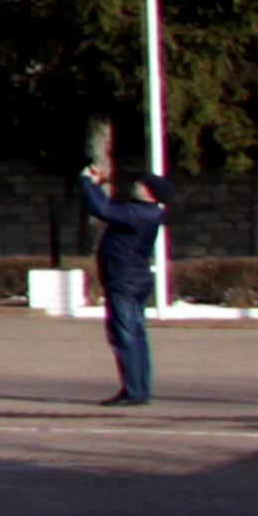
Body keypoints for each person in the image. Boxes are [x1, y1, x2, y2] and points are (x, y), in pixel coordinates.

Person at [82, 165, 168, 406]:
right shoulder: (143, 212)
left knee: (126, 335)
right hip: (132, 280)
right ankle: (137, 388)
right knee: (135, 335)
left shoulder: (140, 214)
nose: (137, 185)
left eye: (143, 184)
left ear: (151, 193)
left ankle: (134, 391)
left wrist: (87, 183)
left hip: (125, 281)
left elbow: (101, 209)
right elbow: (109, 209)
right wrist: (97, 186)